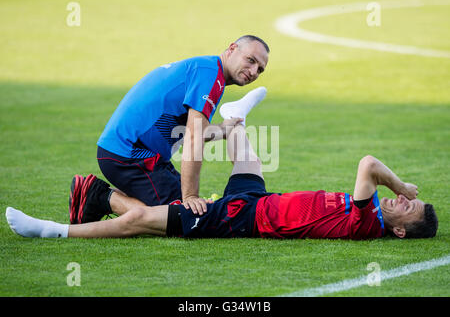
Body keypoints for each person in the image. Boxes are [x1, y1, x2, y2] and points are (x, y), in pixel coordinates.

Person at [6, 113, 438, 240]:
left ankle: (52, 231)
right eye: (407, 199)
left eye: (408, 209)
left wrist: (402, 185)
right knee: (242, 138)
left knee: (143, 221)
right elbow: (372, 172)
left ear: (399, 231)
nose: (403, 201)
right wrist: (397, 191)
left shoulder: (367, 223)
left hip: (240, 219)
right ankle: (234, 117)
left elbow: (368, 164)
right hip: (259, 199)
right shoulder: (373, 211)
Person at [88, 35, 270, 218]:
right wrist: (191, 196)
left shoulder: (209, 70)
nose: (254, 71)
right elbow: (193, 138)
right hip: (128, 156)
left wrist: (222, 129)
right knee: (184, 216)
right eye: (251, 60)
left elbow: (185, 131)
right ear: (231, 49)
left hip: (139, 155)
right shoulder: (210, 75)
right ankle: (98, 196)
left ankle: (95, 196)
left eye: (260, 69)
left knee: (196, 212)